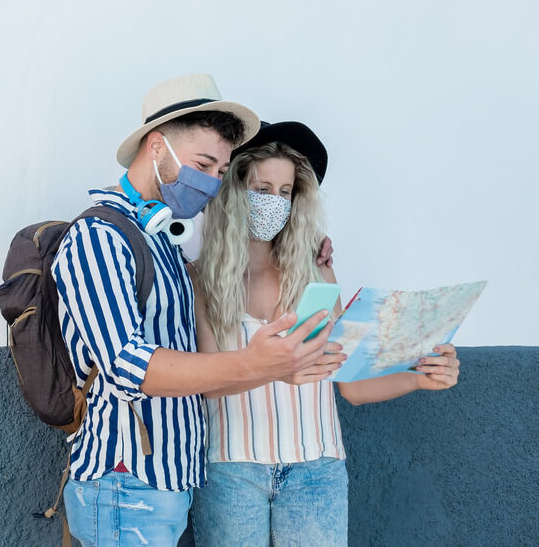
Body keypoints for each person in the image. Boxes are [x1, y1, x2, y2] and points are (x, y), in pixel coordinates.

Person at [51, 76, 341, 546]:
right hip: (126, 480)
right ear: (156, 147)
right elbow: (128, 366)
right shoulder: (100, 237)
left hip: (167, 481)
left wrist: (276, 369)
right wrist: (254, 362)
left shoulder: (161, 241)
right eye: (203, 164)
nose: (210, 183)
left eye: (222, 171)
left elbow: (202, 368)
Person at [190, 121, 462, 546]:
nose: (274, 202)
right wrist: (279, 367)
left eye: (285, 192)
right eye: (261, 189)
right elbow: (209, 384)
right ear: (233, 192)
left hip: (317, 473)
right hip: (230, 473)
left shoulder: (317, 271)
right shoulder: (201, 281)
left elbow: (350, 384)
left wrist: (419, 378)